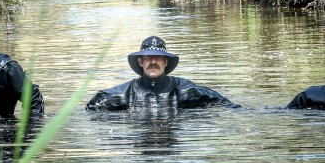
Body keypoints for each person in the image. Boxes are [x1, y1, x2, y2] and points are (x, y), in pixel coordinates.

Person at [86, 36, 239, 111]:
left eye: (158, 57)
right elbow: (92, 108)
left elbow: (223, 103)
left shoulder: (183, 89)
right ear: (140, 62)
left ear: (166, 62)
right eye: (148, 57)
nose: (153, 61)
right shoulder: (125, 94)